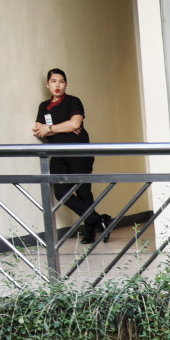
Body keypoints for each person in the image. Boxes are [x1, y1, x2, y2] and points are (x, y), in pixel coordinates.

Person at [31, 69, 105, 244]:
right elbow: (37, 129)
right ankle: (98, 220)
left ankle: (89, 231)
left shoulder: (73, 101)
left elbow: (75, 124)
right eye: (54, 81)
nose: (57, 85)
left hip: (79, 150)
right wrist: (64, 127)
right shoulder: (43, 106)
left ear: (66, 84)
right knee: (61, 191)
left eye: (61, 81)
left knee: (83, 189)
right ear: (47, 84)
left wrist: (51, 128)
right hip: (58, 153)